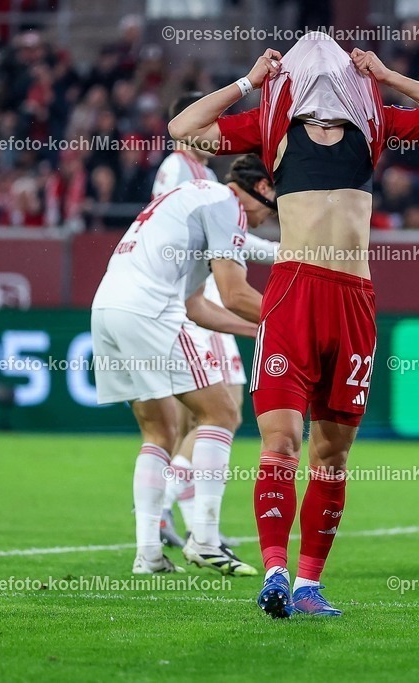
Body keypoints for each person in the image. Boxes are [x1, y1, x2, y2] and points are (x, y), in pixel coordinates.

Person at [168, 32, 419, 617]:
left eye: (335, 54)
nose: (322, 56)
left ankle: (309, 584)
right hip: (295, 293)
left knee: (331, 456)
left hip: (353, 301)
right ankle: (277, 573)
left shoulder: (375, 123)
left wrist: (387, 76)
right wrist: (247, 83)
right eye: (311, 55)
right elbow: (183, 130)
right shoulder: (269, 124)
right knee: (280, 444)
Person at [90, 155, 275, 574]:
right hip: (148, 312)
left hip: (107, 310)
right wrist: (292, 325)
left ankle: (148, 556)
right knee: (222, 412)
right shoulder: (223, 203)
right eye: (271, 203)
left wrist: (257, 332)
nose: (267, 218)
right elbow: (235, 295)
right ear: (261, 189)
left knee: (161, 431)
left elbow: (197, 306)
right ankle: (206, 539)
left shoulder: (193, 202)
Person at [152, 93, 279, 556]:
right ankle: (169, 512)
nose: (214, 131)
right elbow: (186, 235)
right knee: (217, 411)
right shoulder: (179, 169)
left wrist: (276, 251)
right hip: (197, 298)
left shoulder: (203, 174)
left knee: (210, 416)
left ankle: (194, 523)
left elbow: (234, 240)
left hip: (201, 294)